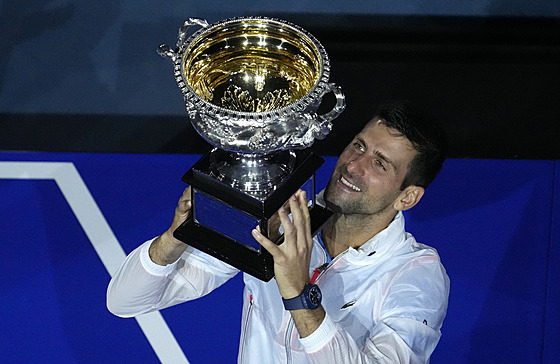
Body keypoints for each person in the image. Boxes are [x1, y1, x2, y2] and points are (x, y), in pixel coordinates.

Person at [107, 100, 450, 363]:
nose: (353, 165)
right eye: (358, 145)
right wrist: (175, 239)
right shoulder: (283, 213)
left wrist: (299, 294)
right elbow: (123, 302)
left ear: (408, 196)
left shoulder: (416, 274)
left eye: (380, 163)